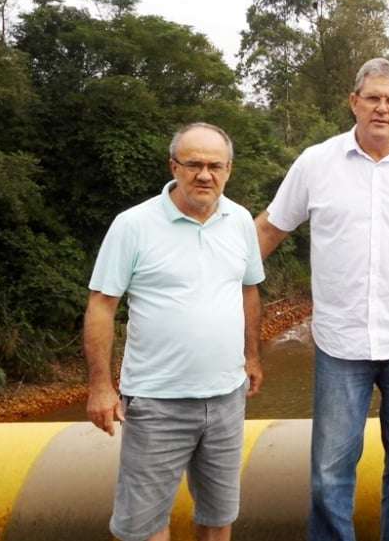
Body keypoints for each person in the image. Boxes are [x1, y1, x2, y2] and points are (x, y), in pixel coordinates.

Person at [254, 57, 389, 541]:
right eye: (372, 97)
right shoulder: (315, 163)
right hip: (340, 343)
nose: (381, 108)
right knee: (330, 473)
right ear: (353, 102)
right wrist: (214, 266)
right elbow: (269, 229)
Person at [84, 122, 265, 541]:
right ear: (173, 166)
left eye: (215, 166)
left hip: (226, 398)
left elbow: (249, 290)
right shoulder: (133, 225)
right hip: (156, 401)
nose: (205, 175)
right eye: (194, 164)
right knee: (143, 527)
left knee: (219, 518)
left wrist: (251, 356)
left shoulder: (239, 220)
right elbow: (101, 305)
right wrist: (100, 387)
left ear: (229, 169)